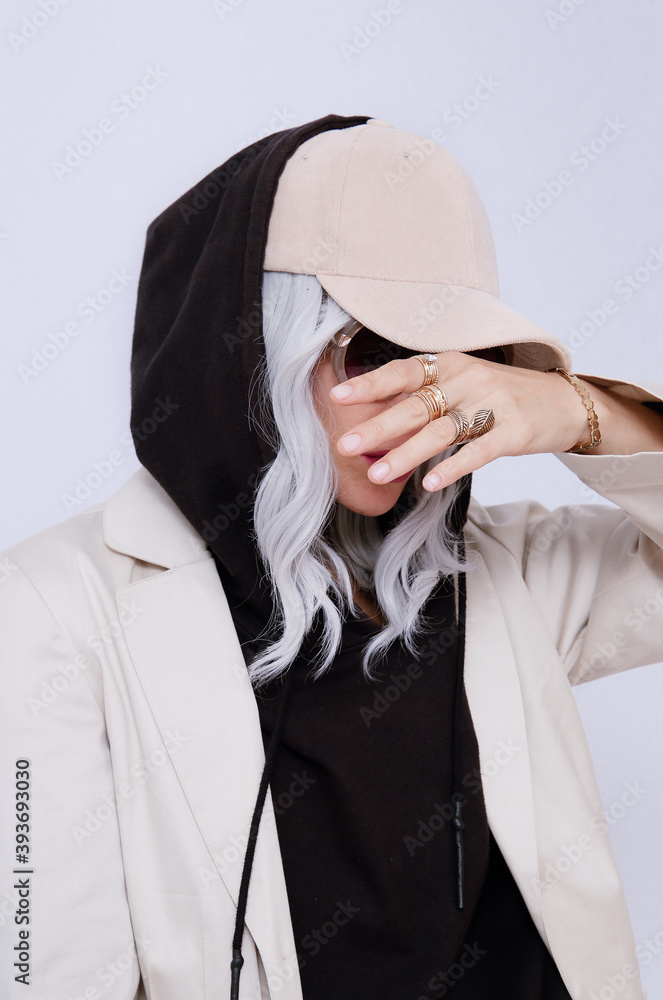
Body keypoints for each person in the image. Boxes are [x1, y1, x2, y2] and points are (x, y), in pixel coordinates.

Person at [1, 114, 661, 1000]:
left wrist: (578, 412)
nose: (425, 397)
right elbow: (47, 967)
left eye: (460, 359)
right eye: (383, 351)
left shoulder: (502, 572)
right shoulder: (53, 606)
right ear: (257, 348)